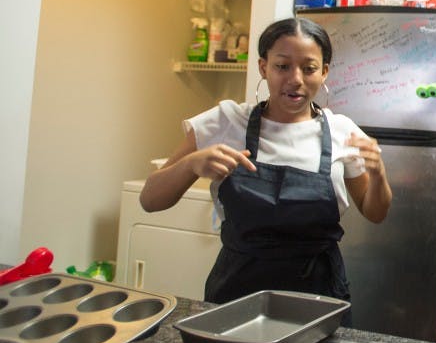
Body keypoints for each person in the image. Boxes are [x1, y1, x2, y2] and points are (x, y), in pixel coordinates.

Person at [140, 17, 391, 312]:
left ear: (324, 73)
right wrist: (191, 165)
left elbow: (375, 212)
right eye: (282, 66)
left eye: (309, 68)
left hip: (317, 294)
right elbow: (150, 199)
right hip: (236, 292)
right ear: (263, 67)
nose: (295, 79)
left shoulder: (341, 131)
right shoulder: (225, 121)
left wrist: (378, 174)